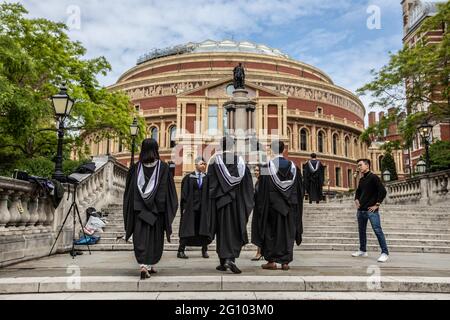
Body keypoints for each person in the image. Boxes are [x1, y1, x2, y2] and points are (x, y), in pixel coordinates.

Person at [123, 138, 178, 279]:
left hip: (139, 211)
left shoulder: (135, 168)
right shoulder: (164, 168)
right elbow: (169, 191)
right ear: (156, 149)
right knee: (155, 238)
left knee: (140, 237)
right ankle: (150, 264)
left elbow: (129, 193)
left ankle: (143, 264)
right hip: (156, 212)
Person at [201, 136, 254, 274]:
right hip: (236, 203)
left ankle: (223, 261)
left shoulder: (214, 162)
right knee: (235, 229)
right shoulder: (240, 163)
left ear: (221, 146)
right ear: (232, 146)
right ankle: (230, 259)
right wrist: (245, 203)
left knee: (222, 230)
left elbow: (209, 186)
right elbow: (247, 186)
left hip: (220, 203)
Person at [252, 140, 304, 271]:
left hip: (272, 206)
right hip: (290, 206)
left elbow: (261, 191)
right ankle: (285, 261)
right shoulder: (294, 167)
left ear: (272, 151)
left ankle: (271, 261)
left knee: (270, 233)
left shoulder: (266, 168)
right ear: (284, 150)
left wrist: (260, 207)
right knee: (288, 232)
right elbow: (299, 190)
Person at [352, 158, 389, 263]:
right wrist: (356, 200)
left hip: (371, 210)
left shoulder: (374, 177)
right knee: (361, 231)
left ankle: (385, 253)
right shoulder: (362, 179)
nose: (358, 167)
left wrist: (377, 204)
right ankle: (363, 250)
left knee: (377, 230)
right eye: (358, 166)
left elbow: (383, 191)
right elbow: (358, 192)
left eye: (360, 165)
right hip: (361, 210)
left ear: (367, 166)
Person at [177, 156, 211, 259]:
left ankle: (204, 250)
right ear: (196, 165)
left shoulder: (207, 178)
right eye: (201, 164)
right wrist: (184, 207)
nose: (203, 166)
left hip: (203, 208)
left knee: (203, 229)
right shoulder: (188, 178)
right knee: (187, 229)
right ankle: (181, 250)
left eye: (204, 164)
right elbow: (184, 194)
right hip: (190, 209)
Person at [251, 164, 263, 261]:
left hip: (262, 211)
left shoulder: (263, 183)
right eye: (255, 170)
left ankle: (259, 252)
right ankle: (260, 251)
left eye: (258, 170)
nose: (256, 172)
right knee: (258, 231)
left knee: (260, 231)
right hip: (257, 209)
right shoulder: (257, 182)